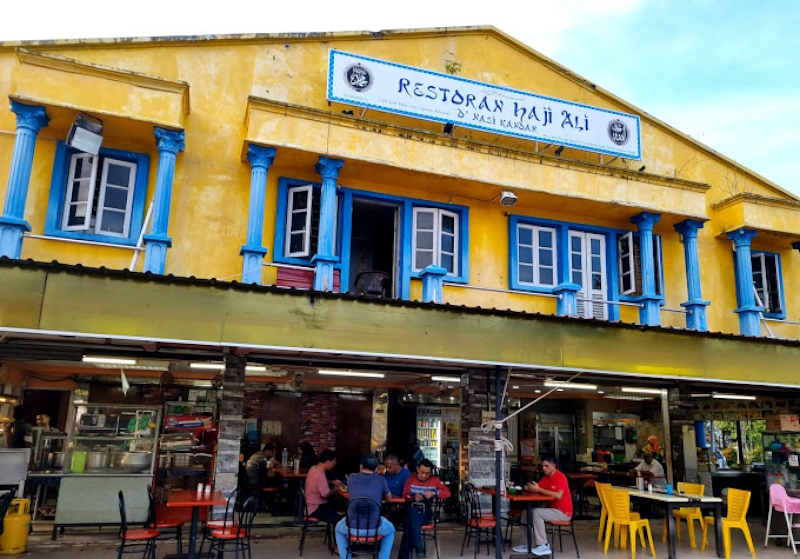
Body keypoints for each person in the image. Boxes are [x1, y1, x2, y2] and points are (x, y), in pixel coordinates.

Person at [334, 454, 395, 559]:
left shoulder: (351, 478)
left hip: (351, 528)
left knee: (338, 529)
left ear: (361, 466)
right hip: (374, 528)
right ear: (376, 469)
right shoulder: (380, 480)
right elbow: (389, 497)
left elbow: (351, 492)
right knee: (391, 530)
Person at [513, 455, 572, 556]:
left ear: (554, 465)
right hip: (552, 509)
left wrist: (538, 489)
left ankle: (543, 545)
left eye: (546, 466)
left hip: (563, 512)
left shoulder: (560, 477)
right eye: (542, 466)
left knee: (537, 513)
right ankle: (525, 544)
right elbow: (538, 487)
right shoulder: (546, 478)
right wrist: (529, 487)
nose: (544, 468)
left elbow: (558, 495)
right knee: (526, 512)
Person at [398, 458, 451, 559]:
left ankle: (409, 553)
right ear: (418, 469)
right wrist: (413, 497)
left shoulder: (434, 480)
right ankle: (419, 548)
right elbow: (405, 496)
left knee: (409, 524)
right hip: (411, 508)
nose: (424, 475)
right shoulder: (411, 479)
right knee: (412, 514)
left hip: (425, 511)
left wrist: (434, 493)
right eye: (422, 472)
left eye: (427, 473)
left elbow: (447, 493)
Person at [304, 448, 343, 525]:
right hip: (316, 508)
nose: (333, 465)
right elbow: (325, 494)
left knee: (334, 510)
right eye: (333, 463)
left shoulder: (313, 469)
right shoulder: (320, 474)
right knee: (339, 520)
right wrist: (336, 489)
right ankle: (337, 536)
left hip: (309, 506)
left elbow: (317, 483)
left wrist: (331, 482)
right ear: (328, 462)